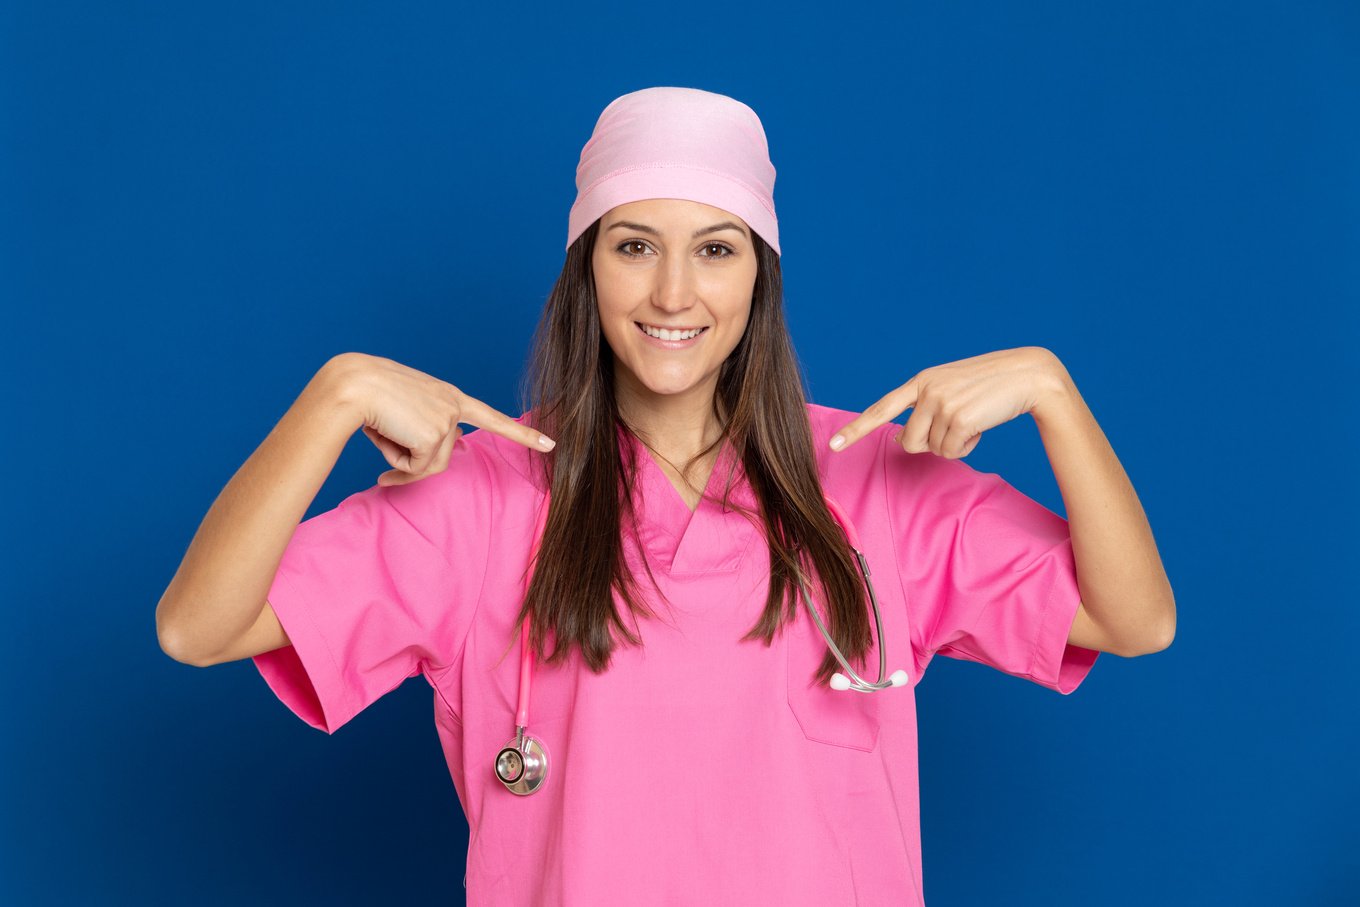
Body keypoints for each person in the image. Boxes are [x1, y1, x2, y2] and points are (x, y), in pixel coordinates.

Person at [156, 86, 1175, 905]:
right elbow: (197, 628)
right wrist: (331, 398)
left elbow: (1133, 620)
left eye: (716, 249)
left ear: (759, 278)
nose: (674, 294)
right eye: (634, 244)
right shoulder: (483, 494)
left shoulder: (876, 479)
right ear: (586, 268)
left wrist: (1053, 391)